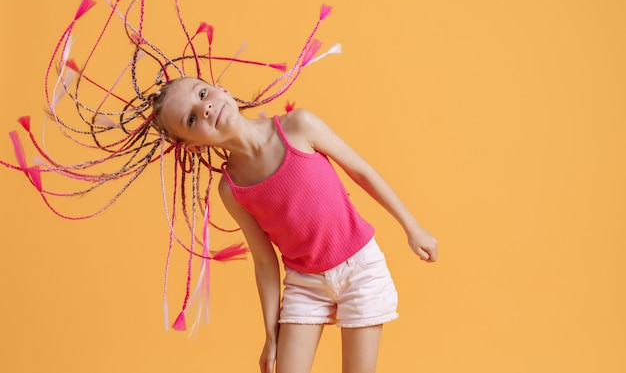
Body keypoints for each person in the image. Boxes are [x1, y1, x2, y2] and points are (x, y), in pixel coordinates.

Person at [151, 76, 438, 373]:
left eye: (202, 93)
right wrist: (271, 336)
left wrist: (411, 226)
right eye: (192, 118)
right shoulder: (232, 189)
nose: (206, 108)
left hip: (360, 270)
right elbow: (264, 260)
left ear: (222, 88)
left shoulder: (299, 126)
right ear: (193, 148)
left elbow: (361, 171)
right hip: (305, 284)